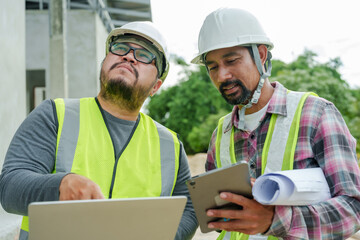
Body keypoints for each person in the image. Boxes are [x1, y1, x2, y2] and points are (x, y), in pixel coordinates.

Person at [0, 21, 197, 240]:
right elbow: (10, 187)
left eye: (144, 55)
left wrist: (163, 235)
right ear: (105, 61)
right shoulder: (54, 115)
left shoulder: (170, 145)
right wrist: (60, 185)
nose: (129, 56)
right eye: (120, 48)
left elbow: (188, 209)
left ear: (155, 87)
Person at [191, 7, 360, 240]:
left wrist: (275, 219)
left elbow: (354, 209)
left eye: (231, 60)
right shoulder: (220, 133)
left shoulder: (316, 113)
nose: (222, 76)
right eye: (212, 67)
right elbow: (218, 220)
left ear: (260, 55)